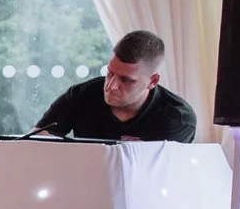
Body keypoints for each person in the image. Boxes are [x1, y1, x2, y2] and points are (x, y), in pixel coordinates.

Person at [31, 30, 199, 142]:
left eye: (126, 80)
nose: (111, 86)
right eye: (110, 73)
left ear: (153, 81)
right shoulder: (81, 95)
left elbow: (160, 175)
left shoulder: (177, 117)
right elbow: (38, 139)